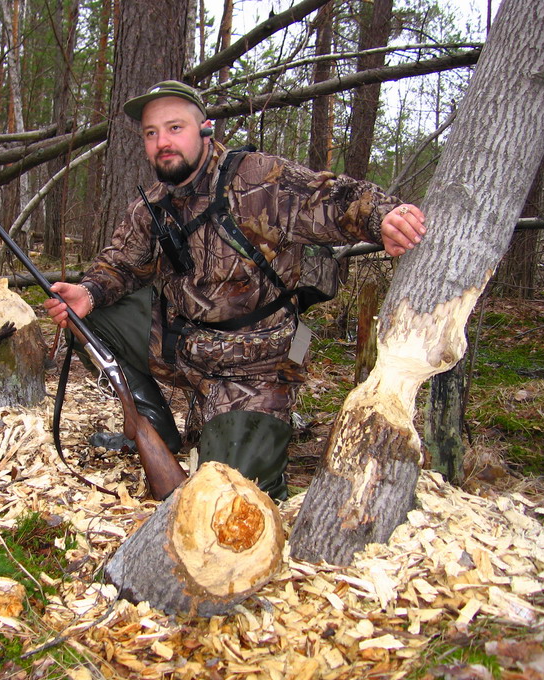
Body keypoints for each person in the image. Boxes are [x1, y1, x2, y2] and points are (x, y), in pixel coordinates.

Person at [44, 80, 426, 500]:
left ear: (205, 128)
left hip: (258, 364)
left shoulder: (260, 181)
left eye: (175, 128)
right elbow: (120, 264)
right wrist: (90, 292)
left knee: (234, 494)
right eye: (151, 133)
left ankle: (240, 431)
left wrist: (386, 216)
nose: (162, 142)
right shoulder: (152, 204)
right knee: (87, 314)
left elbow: (335, 197)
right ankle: (151, 431)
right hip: (183, 347)